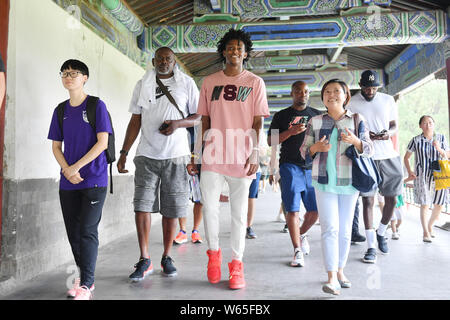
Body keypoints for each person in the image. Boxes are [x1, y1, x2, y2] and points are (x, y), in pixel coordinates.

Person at [188, 28, 270, 290]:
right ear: (224, 51)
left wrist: (256, 152)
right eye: (231, 47)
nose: (235, 51)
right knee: (210, 208)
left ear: (246, 54)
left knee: (239, 214)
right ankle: (213, 255)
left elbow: (258, 121)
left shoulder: (255, 82)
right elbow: (205, 120)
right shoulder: (210, 82)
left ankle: (236, 265)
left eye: (240, 48)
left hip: (242, 155)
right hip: (212, 154)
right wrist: (196, 154)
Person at [118, 47, 200, 280]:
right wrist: (124, 151)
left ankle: (166, 256)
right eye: (160, 59)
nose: (164, 62)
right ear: (154, 61)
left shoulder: (187, 83)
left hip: (176, 155)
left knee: (171, 208)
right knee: (141, 206)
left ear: (175, 62)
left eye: (169, 59)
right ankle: (145, 259)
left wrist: (177, 124)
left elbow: (197, 117)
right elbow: (136, 119)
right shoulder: (142, 84)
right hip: (146, 154)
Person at [300, 78, 374, 295]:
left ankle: (341, 271)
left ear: (345, 96)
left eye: (336, 91)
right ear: (323, 97)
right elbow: (303, 153)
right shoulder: (315, 121)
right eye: (327, 92)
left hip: (349, 183)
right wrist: (316, 147)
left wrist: (356, 142)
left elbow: (369, 149)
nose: (331, 94)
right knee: (329, 229)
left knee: (344, 232)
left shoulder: (357, 119)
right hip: (323, 182)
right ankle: (331, 276)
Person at [48, 59, 112, 300]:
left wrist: (76, 167)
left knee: (86, 230)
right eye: (64, 73)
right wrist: (67, 170)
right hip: (68, 182)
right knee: (74, 232)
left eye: (74, 73)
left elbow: (102, 143)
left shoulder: (97, 105)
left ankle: (86, 283)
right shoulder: (60, 110)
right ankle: (83, 276)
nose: (68, 77)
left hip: (94, 179)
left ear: (84, 77)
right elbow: (56, 146)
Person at [346, 70, 404, 263]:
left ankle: (381, 231)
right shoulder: (352, 102)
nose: (370, 91)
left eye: (373, 87)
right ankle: (371, 246)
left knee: (392, 200)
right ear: (361, 86)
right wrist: (362, 135)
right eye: (366, 87)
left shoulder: (388, 100)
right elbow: (349, 127)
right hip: (366, 156)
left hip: (388, 154)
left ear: (378, 87)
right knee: (368, 201)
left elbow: (395, 125)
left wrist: (388, 133)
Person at [268, 81, 321, 267]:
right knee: (293, 209)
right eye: (298, 91)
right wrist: (289, 132)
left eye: (306, 91)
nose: (302, 94)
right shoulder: (282, 115)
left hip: (311, 167)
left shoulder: (317, 115)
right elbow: (270, 140)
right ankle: (297, 250)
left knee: (315, 212)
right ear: (292, 93)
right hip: (289, 165)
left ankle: (302, 233)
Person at [404, 115, 450, 242]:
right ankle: (425, 232)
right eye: (425, 123)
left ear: (434, 124)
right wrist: (410, 171)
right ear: (420, 126)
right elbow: (406, 157)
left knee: (439, 204)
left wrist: (439, 148)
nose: (428, 125)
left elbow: (448, 154)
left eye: (430, 122)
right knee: (424, 203)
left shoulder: (441, 137)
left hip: (440, 175)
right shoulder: (416, 140)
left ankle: (430, 225)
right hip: (422, 175)